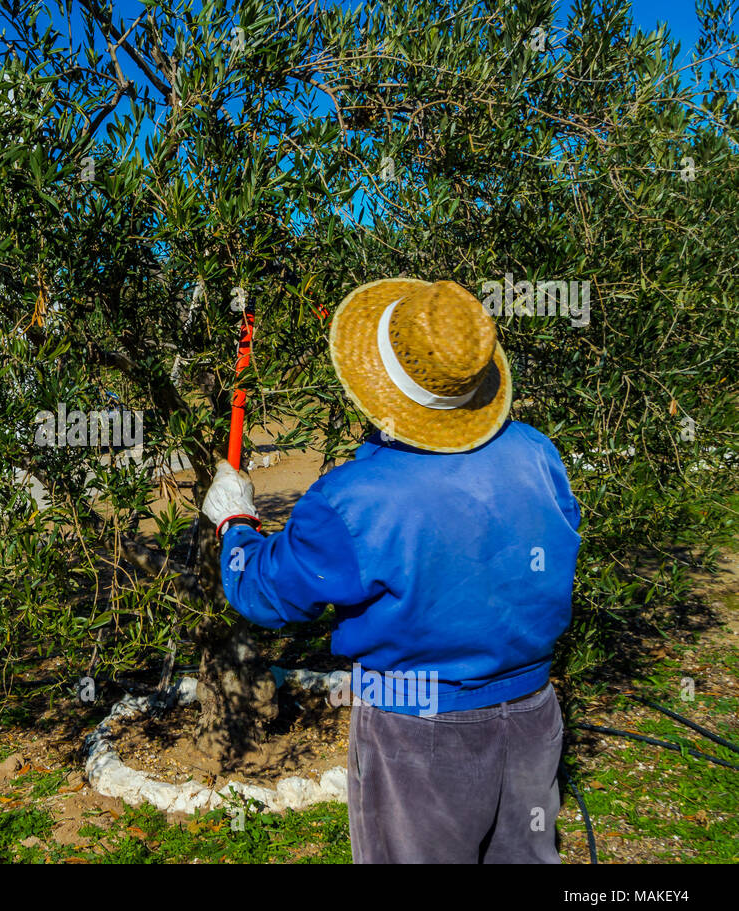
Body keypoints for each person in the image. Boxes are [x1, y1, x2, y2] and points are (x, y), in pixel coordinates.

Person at [201, 278, 582, 863]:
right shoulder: (536, 453)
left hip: (417, 731)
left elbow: (267, 592)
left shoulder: (355, 498)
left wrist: (234, 523)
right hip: (533, 714)